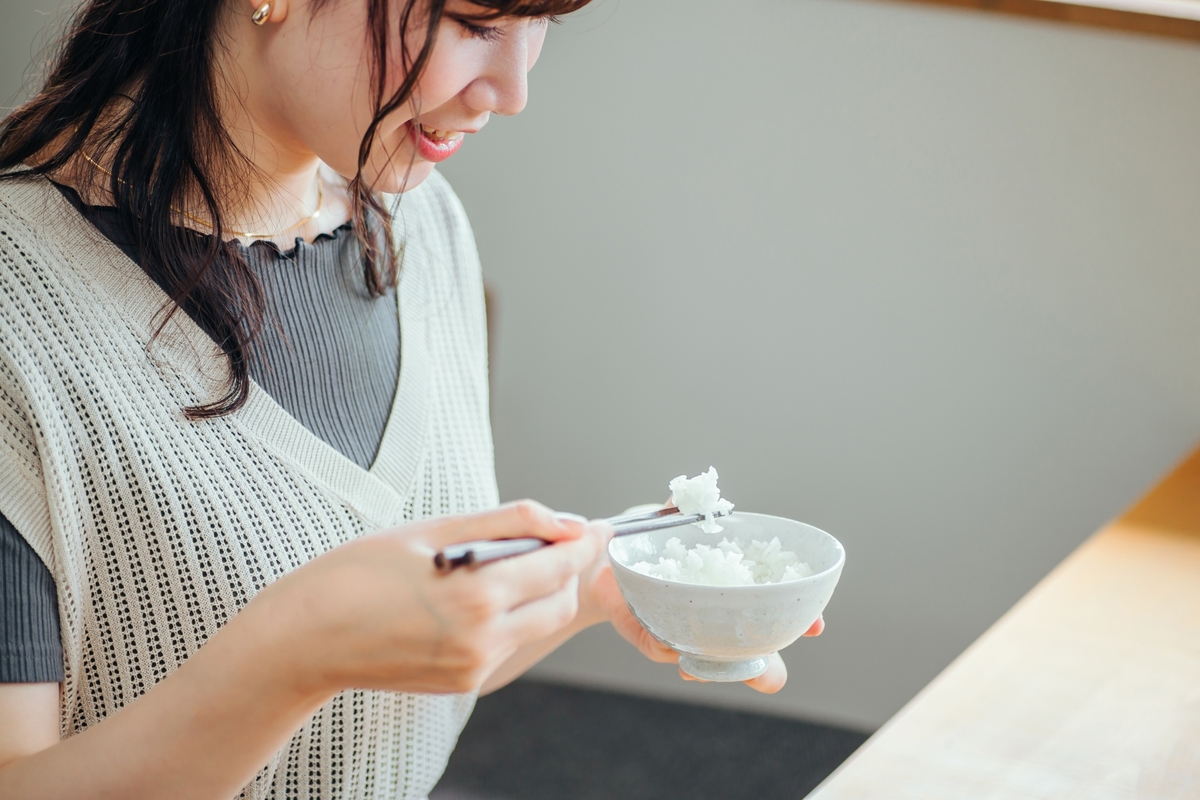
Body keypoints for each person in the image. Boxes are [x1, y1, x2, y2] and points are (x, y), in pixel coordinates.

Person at [0, 0, 823, 796]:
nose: (513, 91)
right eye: (475, 22)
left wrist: (594, 580)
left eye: (539, 22)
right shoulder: (19, 308)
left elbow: (397, 677)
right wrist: (301, 645)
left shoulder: (418, 224)